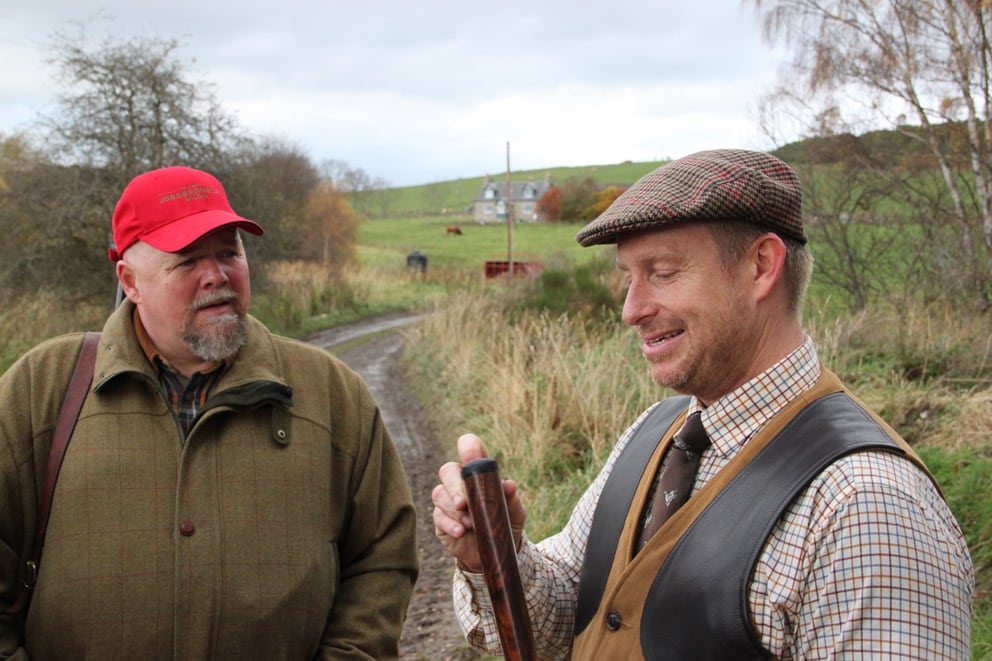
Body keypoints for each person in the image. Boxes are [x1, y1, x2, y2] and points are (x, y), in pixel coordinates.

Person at [432, 149, 974, 659]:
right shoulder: (657, 430)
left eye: (662, 274)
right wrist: (498, 557)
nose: (631, 309)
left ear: (761, 266)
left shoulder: (868, 508)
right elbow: (569, 613)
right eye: (628, 278)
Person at [0, 166, 419, 659]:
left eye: (228, 252)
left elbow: (382, 556)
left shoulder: (330, 391)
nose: (217, 276)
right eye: (187, 260)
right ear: (130, 281)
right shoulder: (43, 387)